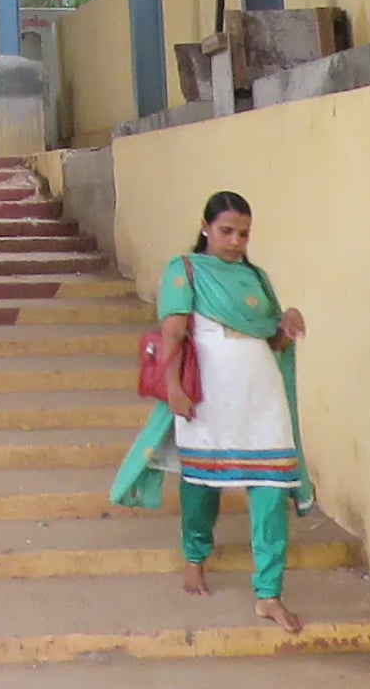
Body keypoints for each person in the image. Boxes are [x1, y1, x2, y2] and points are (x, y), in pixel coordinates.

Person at [111, 189, 314, 628]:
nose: (236, 241)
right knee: (202, 485)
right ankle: (194, 558)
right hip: (209, 398)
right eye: (227, 231)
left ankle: (269, 594)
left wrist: (287, 324)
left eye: (244, 233)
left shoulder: (257, 278)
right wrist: (173, 389)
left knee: (271, 492)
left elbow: (270, 341)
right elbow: (174, 335)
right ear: (205, 228)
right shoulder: (184, 271)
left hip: (262, 396)